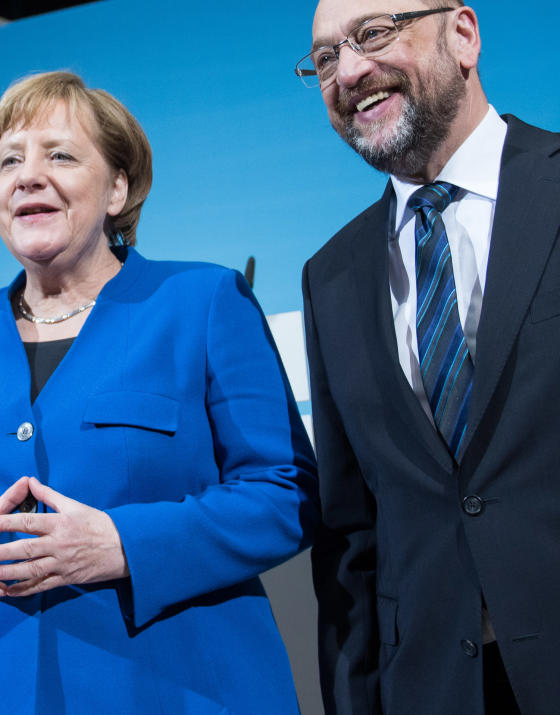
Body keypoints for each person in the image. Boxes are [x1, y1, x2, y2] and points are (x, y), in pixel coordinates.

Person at [0, 70, 318, 713]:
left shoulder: (201, 302)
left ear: (117, 188)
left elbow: (285, 494)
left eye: (59, 155)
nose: (27, 175)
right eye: (9, 161)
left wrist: (123, 545)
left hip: (176, 688)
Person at [297, 1, 560, 712]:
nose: (348, 70)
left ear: (464, 35)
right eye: (325, 58)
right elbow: (351, 538)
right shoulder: (331, 275)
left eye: (374, 34)